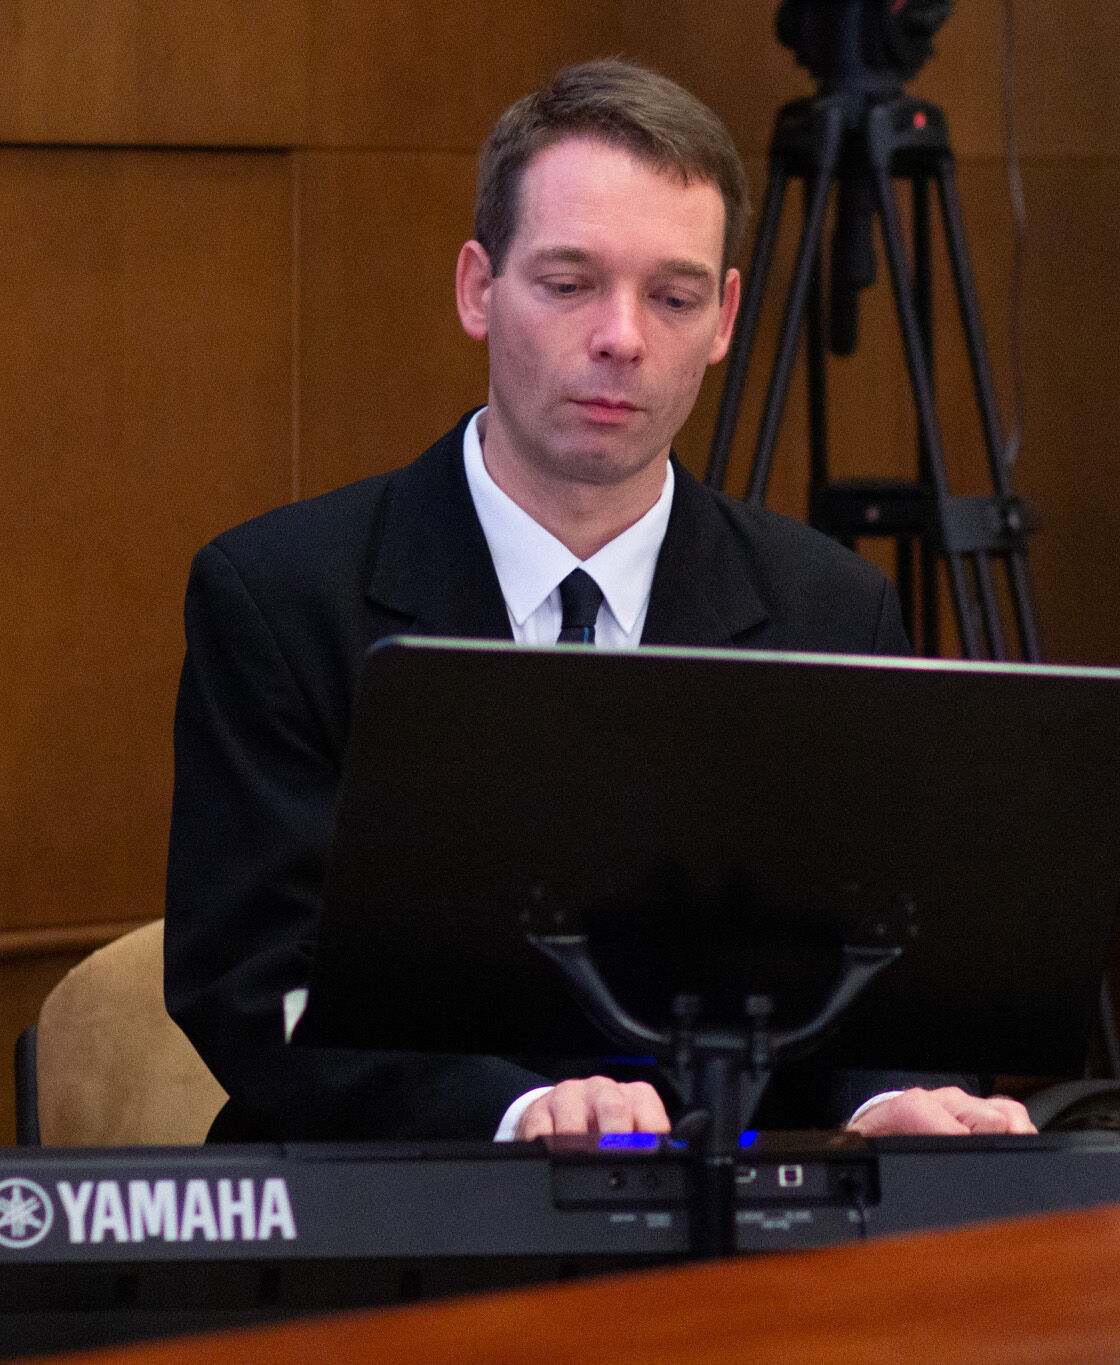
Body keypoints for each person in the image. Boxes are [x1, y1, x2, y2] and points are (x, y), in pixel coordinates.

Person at [164, 59, 1030, 1143]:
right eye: (570, 284)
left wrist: (886, 1098)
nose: (622, 336)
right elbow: (252, 985)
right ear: (478, 289)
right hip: (390, 1205)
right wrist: (516, 1109)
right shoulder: (280, 595)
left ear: (723, 318)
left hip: (722, 1211)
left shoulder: (831, 610)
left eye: (671, 297)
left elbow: (875, 970)